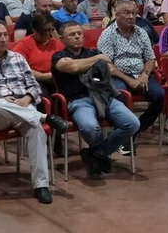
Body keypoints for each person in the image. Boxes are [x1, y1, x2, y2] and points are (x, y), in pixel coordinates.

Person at [0, 19, 55, 204]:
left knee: (36, 129)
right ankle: (44, 117)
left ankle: (41, 186)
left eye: (4, 35)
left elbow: (34, 85)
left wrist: (27, 98)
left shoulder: (18, 58)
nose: (3, 39)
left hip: (22, 108)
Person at [49, 19, 139, 178]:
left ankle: (96, 154)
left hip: (104, 97)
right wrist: (98, 60)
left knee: (132, 123)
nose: (77, 37)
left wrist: (94, 61)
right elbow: (72, 67)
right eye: (72, 35)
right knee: (90, 127)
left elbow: (110, 68)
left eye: (79, 33)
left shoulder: (91, 52)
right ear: (61, 39)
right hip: (78, 100)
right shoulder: (58, 56)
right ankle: (99, 155)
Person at [98, 0, 162, 145]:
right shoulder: (108, 34)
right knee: (119, 94)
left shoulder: (141, 32)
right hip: (118, 75)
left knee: (160, 96)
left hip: (141, 74)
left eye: (133, 13)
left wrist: (145, 75)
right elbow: (108, 66)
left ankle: (136, 129)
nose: (131, 16)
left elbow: (150, 58)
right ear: (117, 14)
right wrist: (130, 80)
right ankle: (124, 130)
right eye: (126, 13)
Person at [13, 10, 61, 88]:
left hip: (57, 79)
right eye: (43, 31)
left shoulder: (57, 43)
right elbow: (19, 68)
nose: (47, 33)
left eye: (50, 30)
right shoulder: (24, 44)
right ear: (34, 29)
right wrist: (43, 76)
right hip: (35, 81)